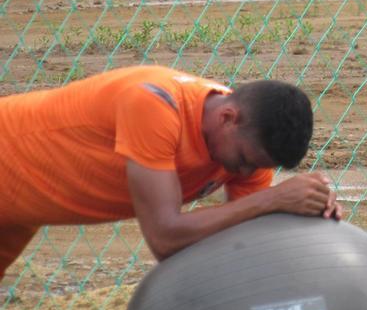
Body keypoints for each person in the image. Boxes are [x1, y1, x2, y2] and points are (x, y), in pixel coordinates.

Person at [0, 64, 340, 284]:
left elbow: (247, 247)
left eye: (260, 169)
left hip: (22, 205)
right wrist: (273, 200)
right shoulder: (155, 104)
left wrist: (312, 211)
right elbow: (165, 238)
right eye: (244, 159)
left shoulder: (246, 146)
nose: (247, 172)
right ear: (227, 118)